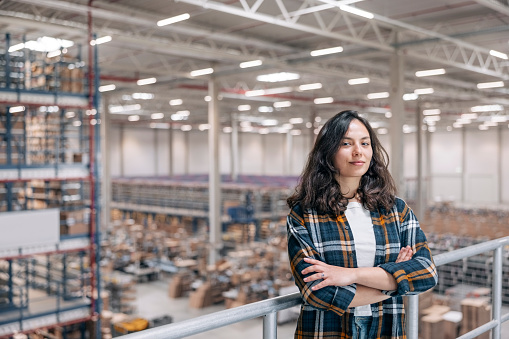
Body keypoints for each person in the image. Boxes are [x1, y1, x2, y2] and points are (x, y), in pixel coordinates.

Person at [286, 110, 438, 338]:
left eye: (365, 143)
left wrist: (350, 275)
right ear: (327, 152)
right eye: (346, 143)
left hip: (386, 327)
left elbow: (426, 272)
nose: (358, 151)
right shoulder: (304, 215)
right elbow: (319, 293)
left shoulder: (396, 210)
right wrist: (396, 281)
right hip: (327, 330)